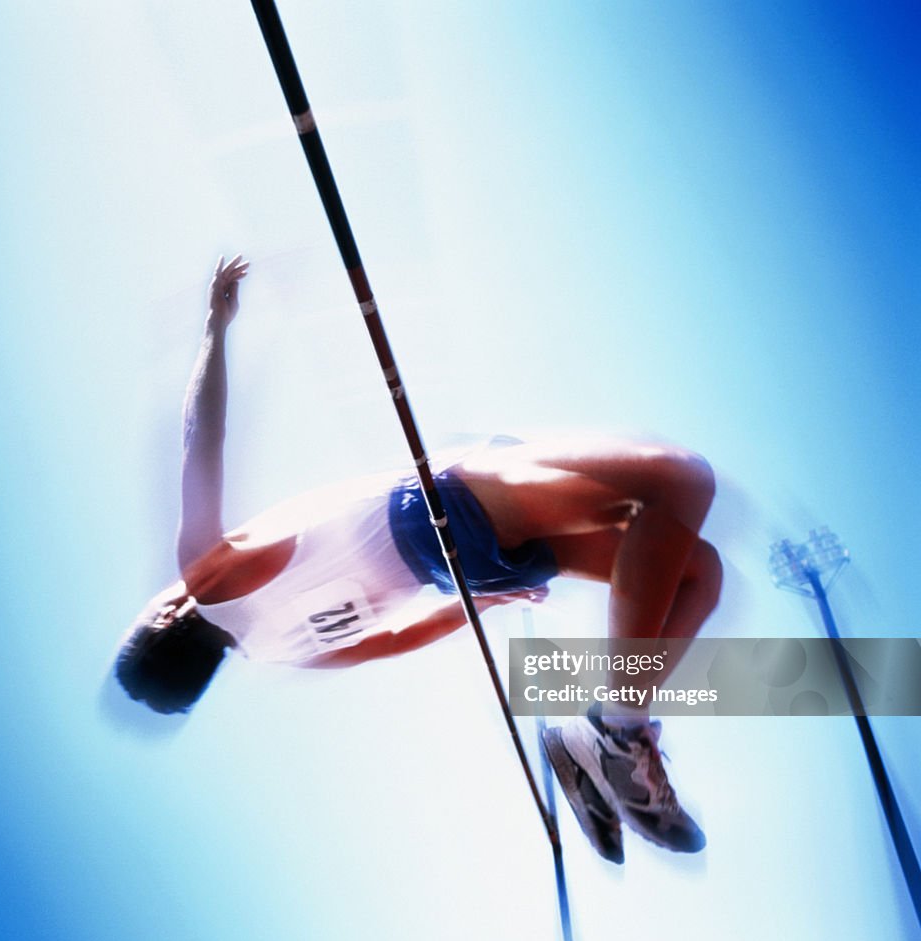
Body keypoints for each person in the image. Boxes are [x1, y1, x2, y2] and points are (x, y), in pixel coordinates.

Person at [114, 254, 723, 863]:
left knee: (699, 573)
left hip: (466, 566)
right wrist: (215, 330)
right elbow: (203, 439)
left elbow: (396, 640)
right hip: (443, 508)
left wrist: (479, 599)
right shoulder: (207, 576)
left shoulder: (280, 654)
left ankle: (608, 730)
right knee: (681, 481)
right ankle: (614, 727)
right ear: (162, 622)